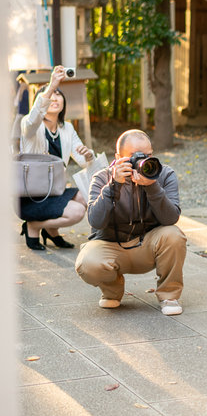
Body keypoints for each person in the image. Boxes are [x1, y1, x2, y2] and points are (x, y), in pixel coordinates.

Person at [75, 130, 187, 316]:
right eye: (135, 156)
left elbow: (170, 218)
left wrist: (152, 186)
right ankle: (112, 290)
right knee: (87, 263)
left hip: (148, 246)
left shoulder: (164, 174)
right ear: (119, 157)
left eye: (148, 155)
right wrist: (113, 186)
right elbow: (95, 221)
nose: (142, 161)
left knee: (174, 235)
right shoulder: (102, 177)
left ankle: (169, 295)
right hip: (111, 244)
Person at [18, 65, 95, 251]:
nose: (54, 97)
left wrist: (89, 155)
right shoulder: (30, 126)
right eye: (49, 94)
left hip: (54, 191)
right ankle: (33, 226)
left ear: (63, 102)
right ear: (40, 101)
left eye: (58, 94)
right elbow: (34, 117)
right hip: (33, 196)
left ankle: (51, 232)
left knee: (87, 196)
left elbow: (84, 161)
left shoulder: (66, 128)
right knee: (76, 212)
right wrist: (52, 85)